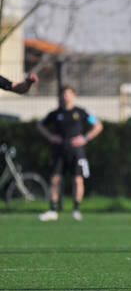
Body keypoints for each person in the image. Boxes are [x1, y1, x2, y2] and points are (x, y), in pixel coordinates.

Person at [37, 85, 103, 221]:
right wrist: (50, 137)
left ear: (74, 95)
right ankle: (52, 210)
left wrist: (85, 138)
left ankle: (76, 209)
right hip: (59, 150)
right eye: (63, 94)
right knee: (55, 179)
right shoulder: (55, 113)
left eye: (67, 94)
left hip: (76, 151)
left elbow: (98, 126)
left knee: (78, 180)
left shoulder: (81, 112)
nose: (65, 96)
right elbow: (40, 125)